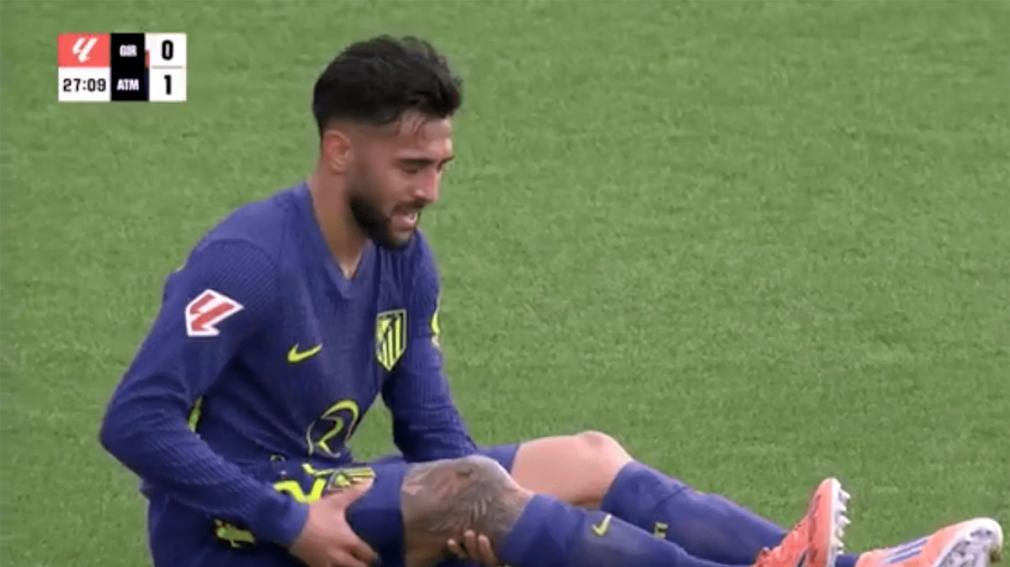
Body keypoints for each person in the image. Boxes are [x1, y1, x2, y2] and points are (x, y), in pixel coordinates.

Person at [99, 35, 1005, 567]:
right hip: (234, 529)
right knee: (476, 490)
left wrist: (483, 515)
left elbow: (434, 437)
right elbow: (135, 420)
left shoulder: (403, 261)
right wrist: (284, 518)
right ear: (340, 151)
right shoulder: (249, 260)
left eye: (441, 166)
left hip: (324, 486)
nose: (430, 191)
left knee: (588, 455)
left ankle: (839, 562)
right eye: (411, 167)